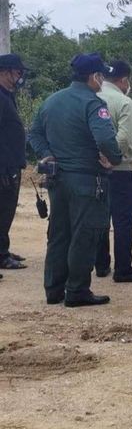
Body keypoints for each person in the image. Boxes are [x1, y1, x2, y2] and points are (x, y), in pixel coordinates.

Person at [29, 53, 122, 307]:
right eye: (101, 76)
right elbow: (105, 138)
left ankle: (53, 289)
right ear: (94, 77)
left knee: (59, 233)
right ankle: (77, 290)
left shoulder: (52, 100)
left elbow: (34, 133)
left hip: (57, 179)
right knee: (84, 234)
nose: (102, 81)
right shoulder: (94, 104)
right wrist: (114, 158)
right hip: (86, 180)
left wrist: (47, 154)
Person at [95, 61, 132, 283]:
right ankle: (123, 268)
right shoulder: (125, 102)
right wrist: (112, 158)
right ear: (124, 80)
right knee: (124, 221)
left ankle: (101, 265)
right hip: (121, 169)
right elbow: (124, 138)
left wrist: (100, 159)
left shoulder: (93, 97)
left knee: (101, 217)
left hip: (95, 169)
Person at [0, 54, 29, 274]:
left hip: (11, 163)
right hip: (4, 165)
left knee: (7, 209)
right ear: (4, 72)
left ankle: (4, 249)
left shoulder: (7, 95)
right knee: (3, 209)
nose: (20, 77)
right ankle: (1, 255)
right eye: (18, 72)